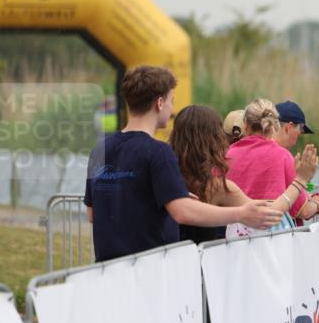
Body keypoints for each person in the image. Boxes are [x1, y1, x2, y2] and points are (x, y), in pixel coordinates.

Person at [83, 66, 281, 262]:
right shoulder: (158, 152)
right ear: (160, 103)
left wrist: (162, 194)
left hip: (106, 270)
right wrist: (240, 214)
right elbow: (182, 212)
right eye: (171, 101)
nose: (171, 109)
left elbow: (93, 213)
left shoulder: (100, 149)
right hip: (149, 267)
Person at [169, 105, 319, 243]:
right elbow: (267, 214)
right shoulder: (216, 186)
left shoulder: (166, 178)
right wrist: (301, 180)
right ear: (212, 139)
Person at [226, 98, 319, 236]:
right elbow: (303, 210)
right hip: (272, 241)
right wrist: (318, 202)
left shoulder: (227, 154)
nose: (296, 139)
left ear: (245, 124)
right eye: (298, 133)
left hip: (233, 240)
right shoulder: (282, 156)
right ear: (285, 127)